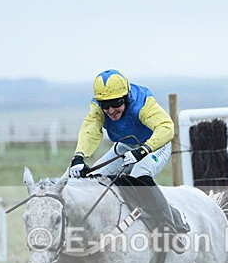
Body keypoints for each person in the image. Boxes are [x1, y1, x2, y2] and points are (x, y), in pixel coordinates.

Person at [68, 69, 189, 252]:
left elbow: (166, 128)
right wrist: (79, 157)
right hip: (125, 146)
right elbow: (90, 130)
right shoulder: (98, 108)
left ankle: (169, 227)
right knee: (94, 179)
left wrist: (144, 150)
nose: (110, 110)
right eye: (105, 105)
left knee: (139, 175)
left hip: (155, 145)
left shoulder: (142, 103)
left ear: (125, 97)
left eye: (115, 103)